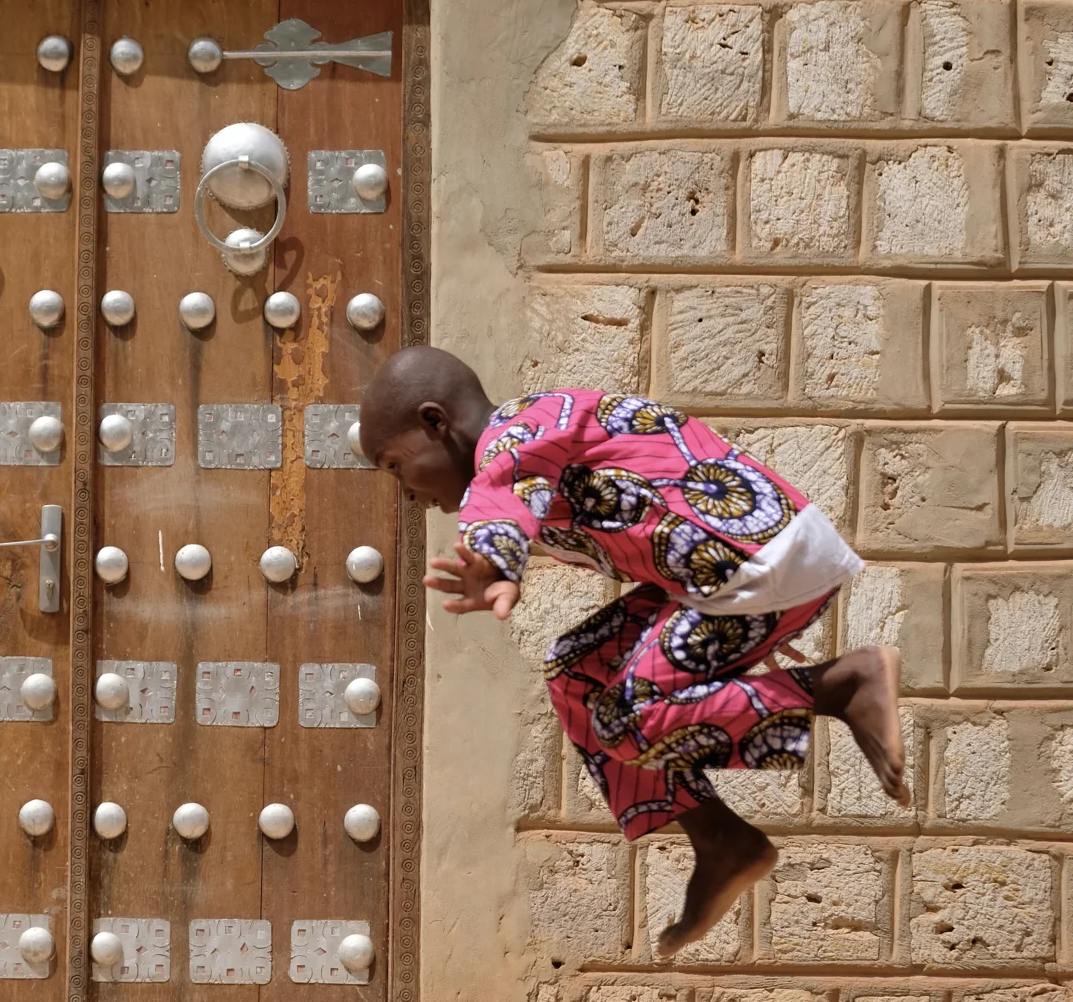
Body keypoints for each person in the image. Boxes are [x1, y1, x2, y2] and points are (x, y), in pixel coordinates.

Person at [358, 346, 908, 956]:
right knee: (577, 675)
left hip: (748, 559)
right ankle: (720, 838)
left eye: (394, 465)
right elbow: (519, 491)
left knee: (632, 716)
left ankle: (839, 687)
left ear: (437, 422)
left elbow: (502, 487)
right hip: (714, 572)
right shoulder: (532, 440)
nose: (405, 492)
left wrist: (493, 557)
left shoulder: (518, 431)